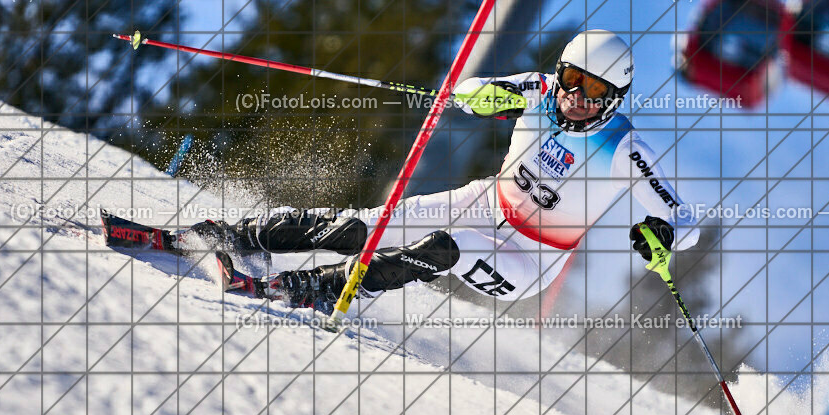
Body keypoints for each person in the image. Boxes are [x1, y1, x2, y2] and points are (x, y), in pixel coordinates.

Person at [206, 29, 700, 313]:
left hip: (528, 258)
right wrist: (487, 97)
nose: (573, 96)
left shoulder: (626, 148)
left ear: (613, 98)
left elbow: (687, 224)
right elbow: (471, 90)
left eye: (591, 91)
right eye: (572, 78)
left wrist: (663, 232)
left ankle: (316, 288)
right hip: (485, 202)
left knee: (444, 247)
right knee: (364, 227)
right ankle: (240, 234)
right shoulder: (544, 89)